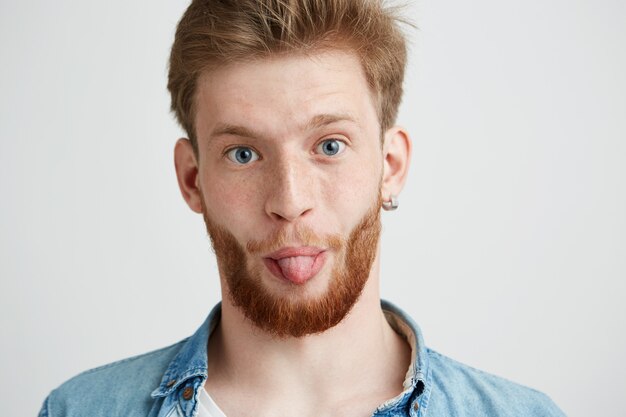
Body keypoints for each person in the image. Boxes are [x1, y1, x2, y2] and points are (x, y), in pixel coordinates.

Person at [38, 1, 566, 416]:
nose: (290, 202)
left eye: (330, 146)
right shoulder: (78, 410)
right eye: (243, 154)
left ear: (391, 165)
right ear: (192, 179)